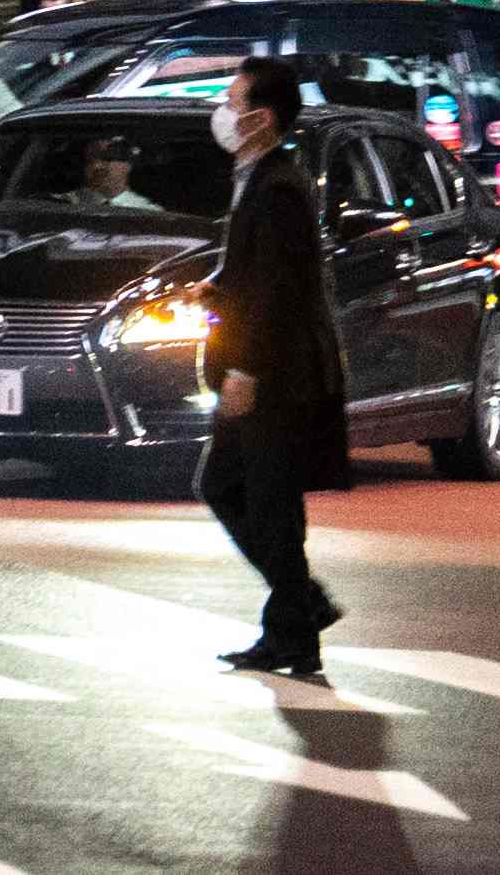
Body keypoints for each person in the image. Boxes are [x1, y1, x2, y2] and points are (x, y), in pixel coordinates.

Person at [200, 61, 352, 678]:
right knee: (258, 500)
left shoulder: (280, 186)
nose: (223, 111)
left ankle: (301, 610)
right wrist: (216, 288)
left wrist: (247, 371)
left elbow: (281, 291)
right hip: (266, 369)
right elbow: (256, 274)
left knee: (256, 498)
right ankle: (293, 627)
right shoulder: (257, 176)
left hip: (277, 376)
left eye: (231, 100)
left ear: (260, 118)